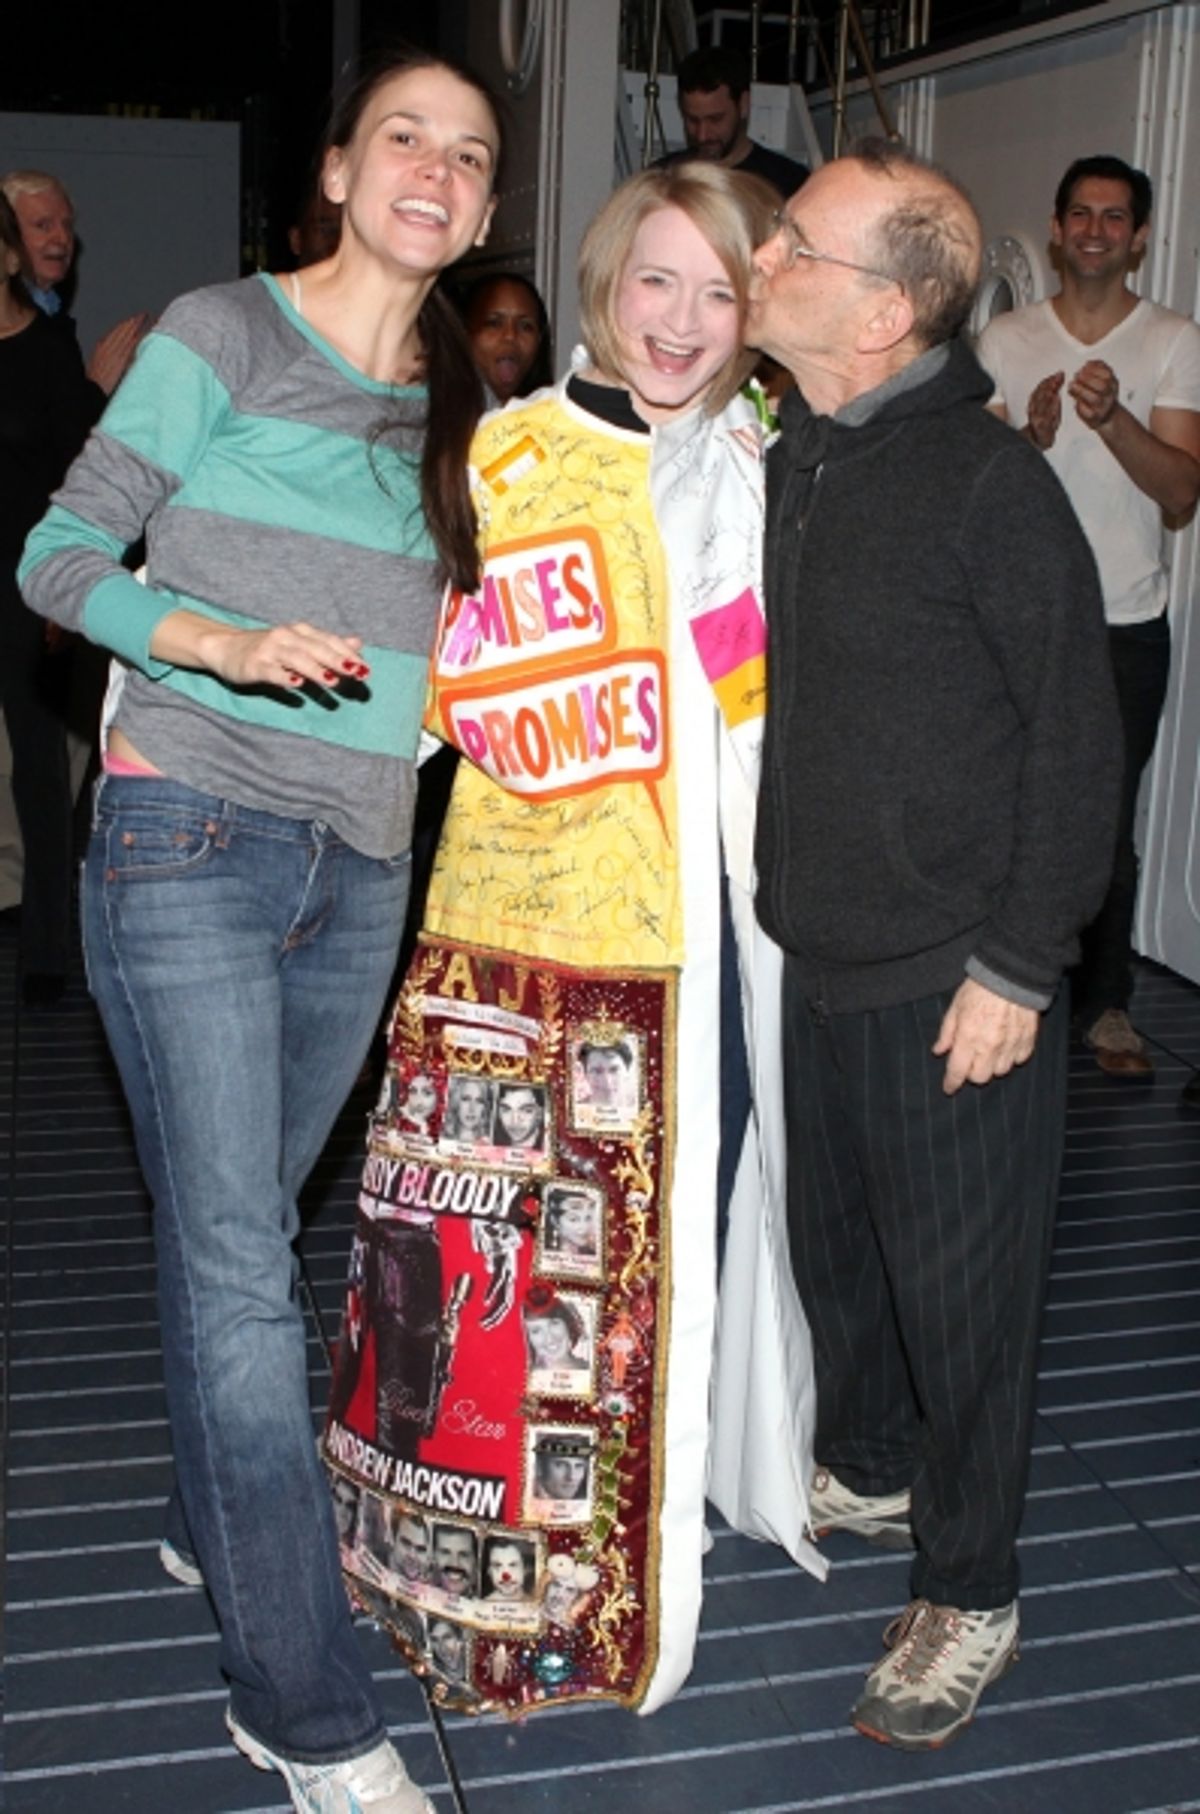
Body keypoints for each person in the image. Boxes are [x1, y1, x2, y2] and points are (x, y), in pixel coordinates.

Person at [19, 45, 501, 1814]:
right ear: (339, 169)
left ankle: (206, 1505)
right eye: (405, 138)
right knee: (237, 1269)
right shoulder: (224, 333)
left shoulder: (460, 406)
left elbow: (463, 639)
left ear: (485, 208)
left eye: (470, 154)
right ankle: (300, 1701)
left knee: (249, 1229)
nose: (435, 170)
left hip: (360, 862)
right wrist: (210, 639)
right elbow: (56, 555)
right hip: (186, 834)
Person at [324, 158, 823, 1719]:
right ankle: (476, 1587)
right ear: (604, 281)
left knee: (665, 1266)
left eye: (719, 290)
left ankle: (635, 1552)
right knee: (477, 1284)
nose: (680, 318)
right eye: (655, 278)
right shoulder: (503, 456)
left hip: (704, 942)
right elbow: (402, 683)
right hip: (509, 942)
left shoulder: (763, 465)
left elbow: (770, 703)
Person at [747, 140, 1122, 1752]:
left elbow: (1079, 739)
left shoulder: (987, 483)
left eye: (794, 246)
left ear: (884, 312)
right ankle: (878, 1467)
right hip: (817, 956)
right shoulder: (800, 455)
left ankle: (971, 1587)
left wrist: (1023, 966)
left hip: (955, 978)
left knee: (968, 1311)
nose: (762, 258)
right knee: (841, 1265)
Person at [976, 156, 1200, 1078]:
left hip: (1125, 622)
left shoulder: (1174, 340)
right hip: (1014, 620)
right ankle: (999, 988)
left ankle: (1105, 1006)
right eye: (1081, 214)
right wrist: (1028, 439)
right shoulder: (1005, 338)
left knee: (1102, 823)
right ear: (1057, 228)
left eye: (1114, 217)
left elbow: (1181, 493)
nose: (1096, 230)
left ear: (1139, 237)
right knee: (1001, 808)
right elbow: (976, 493)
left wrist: (1113, 422)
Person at [0, 193, 94, 1004]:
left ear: (7, 259)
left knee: (39, 771)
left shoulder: (49, 354)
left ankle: (45, 952)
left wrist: (66, 592)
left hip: (24, 589)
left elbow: (82, 485)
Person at [0, 170, 148, 398]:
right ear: (8, 236)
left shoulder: (52, 320)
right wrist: (95, 386)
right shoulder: (14, 326)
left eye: (67, 225)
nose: (62, 238)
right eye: (43, 225)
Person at [656, 45, 808, 199]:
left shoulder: (787, 181)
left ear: (743, 105)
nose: (702, 135)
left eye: (715, 119)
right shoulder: (662, 177)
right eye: (692, 120)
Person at [460, 270, 552, 404]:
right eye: (494, 323)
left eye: (525, 326)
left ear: (539, 339)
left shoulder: (552, 409)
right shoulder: (441, 407)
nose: (510, 335)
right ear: (466, 332)